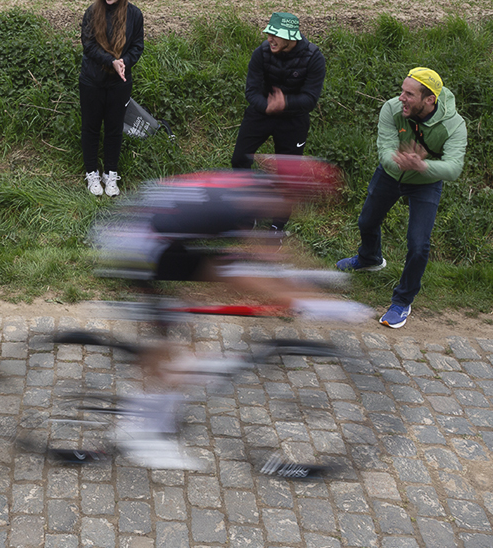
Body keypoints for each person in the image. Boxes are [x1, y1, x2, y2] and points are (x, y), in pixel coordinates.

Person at [89, 156, 368, 469]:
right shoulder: (233, 209)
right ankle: (137, 434)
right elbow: (238, 274)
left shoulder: (252, 189)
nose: (298, 209)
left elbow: (260, 255)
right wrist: (307, 303)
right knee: (170, 344)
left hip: (156, 235)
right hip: (134, 248)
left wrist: (309, 282)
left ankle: (163, 403)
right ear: (290, 193)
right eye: (302, 201)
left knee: (196, 314)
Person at [336, 68, 467, 329]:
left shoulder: (454, 125)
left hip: (426, 183)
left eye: (409, 94)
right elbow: (384, 148)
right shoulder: (391, 108)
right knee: (366, 222)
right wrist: (398, 162)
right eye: (402, 91)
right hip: (391, 174)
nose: (401, 98)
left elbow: (454, 168)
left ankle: (402, 300)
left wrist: (422, 167)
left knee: (418, 245)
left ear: (429, 100)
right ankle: (370, 259)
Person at [230, 12, 326, 170]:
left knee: (288, 172)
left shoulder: (314, 58)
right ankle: (245, 191)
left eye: (275, 35)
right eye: (269, 33)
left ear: (291, 37)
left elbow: (310, 99)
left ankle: (282, 194)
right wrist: (267, 106)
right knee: (239, 160)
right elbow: (251, 91)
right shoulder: (261, 53)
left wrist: (285, 103)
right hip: (261, 113)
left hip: (293, 119)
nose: (269, 39)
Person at [79, 0, 144, 197]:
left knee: (114, 128)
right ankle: (92, 173)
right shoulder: (92, 12)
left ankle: (111, 173)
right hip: (92, 81)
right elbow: (88, 45)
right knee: (91, 127)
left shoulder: (135, 15)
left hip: (120, 83)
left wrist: (125, 61)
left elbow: (138, 46)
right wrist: (111, 61)